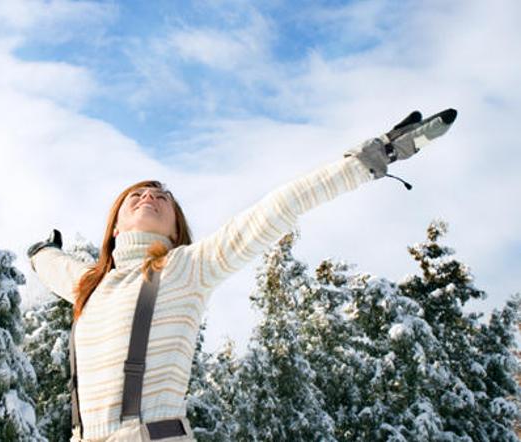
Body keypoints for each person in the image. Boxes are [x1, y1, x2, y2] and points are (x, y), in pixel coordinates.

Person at [27, 109, 457, 441]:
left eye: (162, 197)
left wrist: (367, 161)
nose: (149, 197)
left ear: (176, 231)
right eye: (136, 195)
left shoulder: (188, 267)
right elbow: (52, 265)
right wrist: (40, 251)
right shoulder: (90, 285)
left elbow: (279, 207)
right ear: (115, 228)